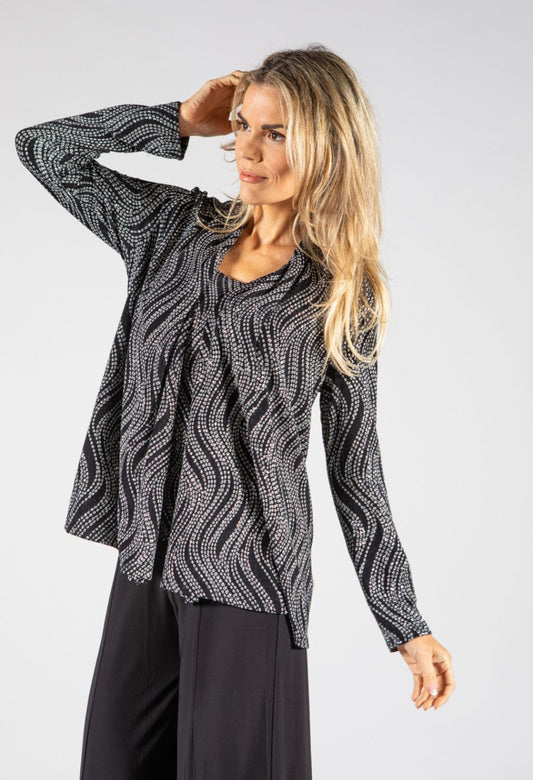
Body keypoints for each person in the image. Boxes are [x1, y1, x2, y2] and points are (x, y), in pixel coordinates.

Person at [15, 44, 455, 779]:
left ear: (327, 146)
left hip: (247, 578)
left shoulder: (339, 295)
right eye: (243, 125)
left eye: (274, 134)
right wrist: (178, 121)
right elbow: (44, 148)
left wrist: (402, 621)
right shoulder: (169, 229)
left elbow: (356, 469)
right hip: (145, 560)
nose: (245, 151)